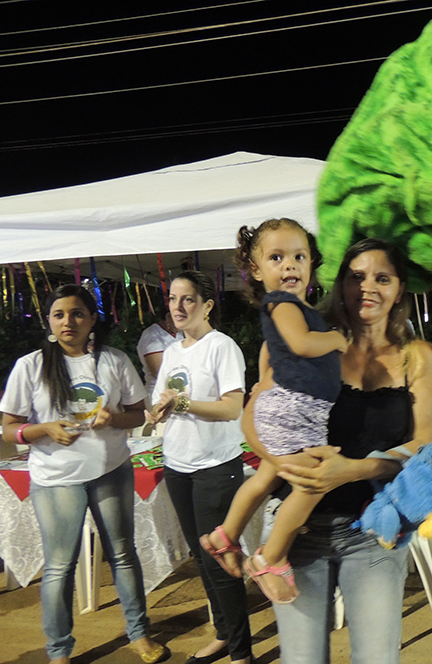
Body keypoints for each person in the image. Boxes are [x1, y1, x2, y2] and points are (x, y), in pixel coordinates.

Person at [266, 238, 432, 663]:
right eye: (357, 276)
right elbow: (255, 416)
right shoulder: (310, 343)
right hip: (297, 528)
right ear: (341, 284)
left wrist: (352, 470)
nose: (368, 287)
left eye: (382, 278)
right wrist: (281, 461)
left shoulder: (417, 358)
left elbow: (424, 443)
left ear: (399, 289)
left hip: (373, 531)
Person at [0, 284, 168, 664]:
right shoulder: (31, 366)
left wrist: (114, 419)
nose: (68, 322)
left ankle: (139, 634)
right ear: (48, 321)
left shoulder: (114, 360)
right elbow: (9, 429)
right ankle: (59, 651)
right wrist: (44, 429)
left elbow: (138, 415)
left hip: (111, 471)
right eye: (58, 315)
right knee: (60, 566)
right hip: (56, 480)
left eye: (77, 313)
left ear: (92, 319)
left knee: (123, 554)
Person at [200, 218, 347, 604]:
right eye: (277, 257)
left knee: (266, 476)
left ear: (312, 263)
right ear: (255, 269)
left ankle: (225, 535)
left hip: (294, 410)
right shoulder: (282, 304)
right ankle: (270, 557)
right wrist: (336, 339)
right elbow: (301, 344)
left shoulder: (299, 308)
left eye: (299, 256)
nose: (290, 265)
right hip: (293, 410)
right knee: (311, 483)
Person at [147, 271, 252, 664]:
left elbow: (232, 408)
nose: (177, 306)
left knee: (220, 558)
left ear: (207, 306)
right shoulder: (173, 351)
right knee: (201, 557)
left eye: (187, 299)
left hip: (215, 465)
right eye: (173, 298)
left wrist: (183, 404)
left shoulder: (221, 347)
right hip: (177, 464)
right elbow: (163, 399)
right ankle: (223, 635)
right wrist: (158, 411)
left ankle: (241, 652)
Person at [136, 309, 182, 408]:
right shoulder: (152, 335)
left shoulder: (179, 332)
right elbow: (158, 372)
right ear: (168, 316)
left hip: (179, 392)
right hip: (159, 396)